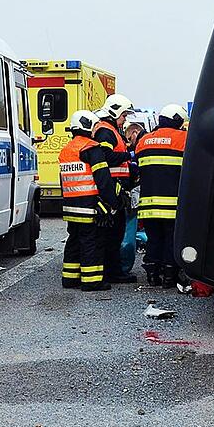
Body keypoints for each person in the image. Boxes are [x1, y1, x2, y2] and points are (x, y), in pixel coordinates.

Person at [59, 110, 119, 292]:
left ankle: (69, 278)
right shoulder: (91, 148)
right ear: (89, 127)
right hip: (90, 206)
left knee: (74, 240)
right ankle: (91, 280)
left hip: (71, 206)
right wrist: (113, 202)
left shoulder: (67, 150)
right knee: (92, 241)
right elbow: (103, 179)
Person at [136, 104, 188, 288]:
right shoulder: (184, 139)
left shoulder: (144, 140)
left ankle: (152, 274)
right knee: (171, 238)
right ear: (178, 120)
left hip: (148, 204)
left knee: (154, 238)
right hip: (173, 204)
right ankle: (169, 275)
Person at [93, 94, 138, 283]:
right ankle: (114, 272)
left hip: (115, 188)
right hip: (112, 189)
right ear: (114, 112)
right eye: (124, 115)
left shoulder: (110, 130)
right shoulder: (106, 132)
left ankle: (112, 270)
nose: (125, 119)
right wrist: (129, 154)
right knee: (113, 234)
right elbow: (105, 156)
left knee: (115, 233)